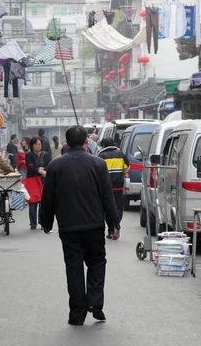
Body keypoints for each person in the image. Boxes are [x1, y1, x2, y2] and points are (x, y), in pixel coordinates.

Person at [40, 125, 120, 326]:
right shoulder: (98, 164)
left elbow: (48, 198)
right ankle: (94, 301)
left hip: (68, 227)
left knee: (73, 268)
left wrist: (46, 222)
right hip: (94, 225)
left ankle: (77, 314)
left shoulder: (56, 166)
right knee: (97, 262)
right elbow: (107, 198)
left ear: (66, 143)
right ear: (86, 142)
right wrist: (113, 224)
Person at [98, 137, 129, 239]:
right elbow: (126, 169)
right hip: (118, 187)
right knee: (118, 207)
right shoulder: (121, 155)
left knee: (107, 208)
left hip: (105, 188)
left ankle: (111, 230)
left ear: (103, 146)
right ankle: (116, 226)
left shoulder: (100, 156)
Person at [26, 137, 51, 229]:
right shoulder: (29, 155)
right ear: (32, 146)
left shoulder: (46, 154)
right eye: (35, 144)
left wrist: (42, 169)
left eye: (39, 144)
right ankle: (33, 223)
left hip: (44, 180)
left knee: (42, 202)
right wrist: (38, 170)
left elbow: (49, 165)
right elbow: (29, 166)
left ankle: (42, 221)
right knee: (33, 202)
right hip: (32, 180)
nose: (37, 146)